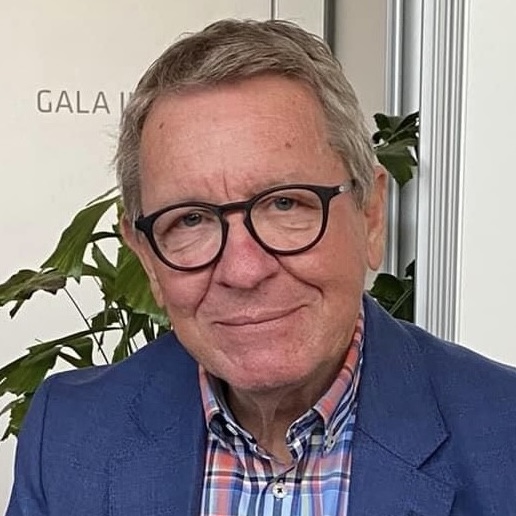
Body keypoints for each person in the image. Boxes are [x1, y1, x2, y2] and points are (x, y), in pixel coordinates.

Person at [6, 19, 516, 516]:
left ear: (371, 216)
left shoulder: (503, 438)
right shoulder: (72, 434)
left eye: (285, 204)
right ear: (146, 257)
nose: (244, 271)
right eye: (191, 219)